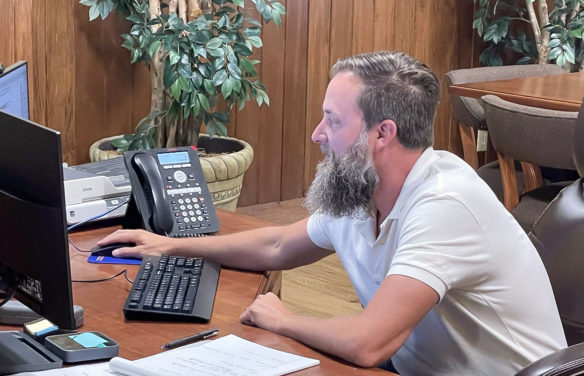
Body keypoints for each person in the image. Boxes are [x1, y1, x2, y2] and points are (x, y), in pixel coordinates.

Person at [100, 51, 566, 375]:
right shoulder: (363, 186)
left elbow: (369, 343)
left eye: (334, 120)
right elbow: (279, 244)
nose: (317, 134)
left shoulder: (445, 204)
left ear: (382, 134)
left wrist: (284, 318)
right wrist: (170, 244)